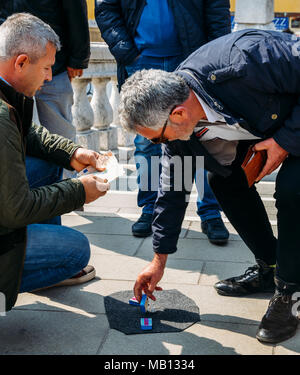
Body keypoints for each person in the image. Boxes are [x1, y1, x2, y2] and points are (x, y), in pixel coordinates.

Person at [119, 29, 300, 344]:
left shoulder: (245, 59)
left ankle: (290, 291)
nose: (159, 145)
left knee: (293, 189)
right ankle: (271, 265)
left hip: (294, 120)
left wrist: (286, 139)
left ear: (178, 114)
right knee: (225, 182)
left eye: (158, 138)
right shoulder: (175, 110)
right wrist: (158, 260)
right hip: (263, 125)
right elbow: (172, 190)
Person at [95, 0, 230, 244]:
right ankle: (151, 208)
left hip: (192, 59)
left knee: (205, 135)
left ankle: (210, 212)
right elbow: (106, 7)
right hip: (142, 60)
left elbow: (217, 8)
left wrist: (216, 55)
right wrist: (126, 51)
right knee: (148, 143)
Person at [0, 13, 110, 312]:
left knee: (48, 163)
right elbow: (15, 210)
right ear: (20, 62)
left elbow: (28, 133)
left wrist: (72, 153)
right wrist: (79, 192)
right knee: (76, 250)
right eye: (47, 68)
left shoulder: (7, 95)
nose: (49, 77)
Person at [0, 0, 91, 141]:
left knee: (59, 134)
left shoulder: (49, 72)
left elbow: (75, 9)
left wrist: (78, 59)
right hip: (9, 62)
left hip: (53, 62)